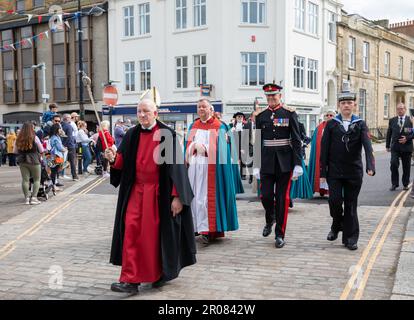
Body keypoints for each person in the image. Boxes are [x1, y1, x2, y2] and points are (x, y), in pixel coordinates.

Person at [105, 99, 196, 294]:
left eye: (146, 111)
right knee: (130, 230)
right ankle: (130, 279)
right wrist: (113, 159)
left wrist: (177, 196)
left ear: (155, 113)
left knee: (153, 237)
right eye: (139, 111)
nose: (142, 115)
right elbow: (123, 162)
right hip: (135, 192)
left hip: (158, 194)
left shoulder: (165, 135)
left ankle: (157, 273)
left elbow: (176, 169)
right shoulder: (132, 134)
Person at [320, 90, 375, 251]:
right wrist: (323, 173)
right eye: (343, 103)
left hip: (353, 171)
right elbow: (324, 150)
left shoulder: (360, 123)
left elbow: (368, 146)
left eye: (349, 103)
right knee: (334, 201)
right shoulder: (331, 124)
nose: (346, 105)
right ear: (339, 105)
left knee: (351, 205)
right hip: (335, 172)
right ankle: (337, 224)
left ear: (354, 105)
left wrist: (370, 166)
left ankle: (351, 238)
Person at [253, 83, 303, 249]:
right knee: (266, 196)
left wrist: (298, 164)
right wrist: (255, 164)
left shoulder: (289, 113)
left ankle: (280, 234)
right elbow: (257, 140)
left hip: (284, 163)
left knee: (282, 199)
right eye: (268, 96)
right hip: (266, 162)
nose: (271, 99)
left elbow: (296, 139)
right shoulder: (261, 115)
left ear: (280, 96)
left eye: (274, 96)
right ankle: (270, 219)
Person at [186, 98, 242, 244]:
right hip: (194, 167)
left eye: (204, 107)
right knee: (194, 197)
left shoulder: (219, 126)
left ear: (210, 109)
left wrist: (204, 149)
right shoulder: (194, 125)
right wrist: (191, 148)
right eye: (199, 107)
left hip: (210, 168)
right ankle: (195, 227)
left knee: (205, 199)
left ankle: (207, 230)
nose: (201, 109)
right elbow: (187, 145)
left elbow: (223, 151)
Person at [14, 122, 44, 205]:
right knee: (36, 180)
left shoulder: (18, 138)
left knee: (25, 180)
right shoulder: (35, 137)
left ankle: (27, 198)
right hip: (34, 160)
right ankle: (34, 198)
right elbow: (41, 150)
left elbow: (15, 151)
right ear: (31, 129)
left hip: (22, 160)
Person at [308, 110, 336, 197]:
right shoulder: (319, 128)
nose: (329, 116)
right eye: (327, 115)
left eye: (331, 115)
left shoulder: (337, 126)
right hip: (321, 153)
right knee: (320, 170)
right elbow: (314, 142)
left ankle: (333, 190)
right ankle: (321, 189)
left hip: (333, 154)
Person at [386, 103, 414, 191]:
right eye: (398, 109)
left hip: (407, 147)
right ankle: (394, 183)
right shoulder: (392, 120)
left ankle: (405, 184)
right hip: (395, 147)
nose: (400, 110)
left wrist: (407, 138)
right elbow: (389, 133)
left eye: (401, 108)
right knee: (393, 164)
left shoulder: (411, 120)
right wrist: (387, 145)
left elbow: (413, 133)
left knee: (406, 167)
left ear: (405, 109)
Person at [49, 124, 68, 191]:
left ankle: (53, 185)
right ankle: (53, 186)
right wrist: (65, 149)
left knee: (54, 171)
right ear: (56, 129)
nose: (61, 129)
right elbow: (60, 148)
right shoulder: (55, 138)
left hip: (54, 156)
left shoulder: (55, 137)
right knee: (54, 171)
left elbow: (64, 136)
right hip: (56, 156)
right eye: (59, 128)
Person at [61, 114, 79, 181]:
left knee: (62, 161)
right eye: (70, 118)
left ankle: (61, 174)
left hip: (62, 146)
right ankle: (74, 176)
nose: (71, 119)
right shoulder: (68, 126)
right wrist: (69, 145)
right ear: (67, 118)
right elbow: (69, 137)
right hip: (70, 146)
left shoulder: (60, 125)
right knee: (72, 162)